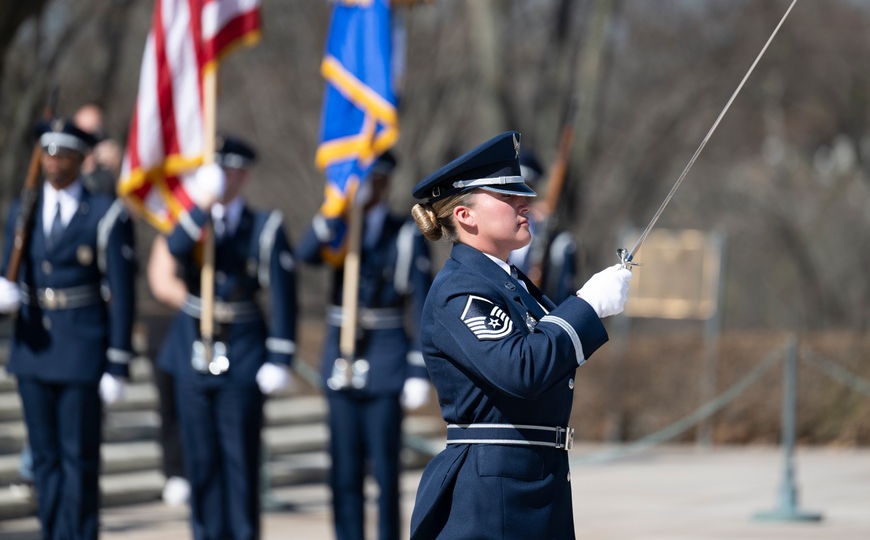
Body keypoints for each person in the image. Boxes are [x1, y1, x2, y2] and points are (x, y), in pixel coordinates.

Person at [407, 130, 632, 539]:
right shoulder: (461, 289)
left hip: (531, 481)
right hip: (494, 497)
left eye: (521, 194)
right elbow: (521, 368)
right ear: (465, 215)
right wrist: (587, 304)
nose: (524, 203)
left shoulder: (508, 283)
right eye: (506, 197)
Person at [0, 117, 137, 540]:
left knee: (79, 456)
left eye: (64, 154)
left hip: (81, 348)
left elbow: (122, 293)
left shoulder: (105, 214)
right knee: (45, 458)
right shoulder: (23, 209)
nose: (54, 162)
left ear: (81, 159)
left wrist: (117, 363)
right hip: (34, 348)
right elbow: (9, 265)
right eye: (49, 153)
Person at [157, 135, 298, 540]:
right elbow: (175, 247)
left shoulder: (263, 226)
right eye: (218, 169)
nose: (225, 177)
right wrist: (202, 207)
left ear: (244, 174)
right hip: (192, 351)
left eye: (231, 170)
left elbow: (285, 297)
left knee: (239, 461)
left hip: (243, 351)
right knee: (199, 461)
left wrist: (281, 357)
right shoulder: (192, 217)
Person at [296, 151, 434, 540]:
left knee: (386, 473)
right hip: (342, 359)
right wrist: (334, 210)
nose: (366, 188)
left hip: (386, 361)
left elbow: (421, 305)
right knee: (343, 471)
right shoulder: (340, 227)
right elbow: (305, 254)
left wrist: (416, 368)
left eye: (374, 180)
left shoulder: (404, 234)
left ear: (386, 183)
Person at [145, 233, 190, 506]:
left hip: (208, 336)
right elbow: (162, 283)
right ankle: (176, 471)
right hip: (167, 333)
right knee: (171, 408)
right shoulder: (171, 229)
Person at [508, 149, 579, 303]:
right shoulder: (494, 237)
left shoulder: (558, 243)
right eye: (508, 194)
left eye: (525, 190)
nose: (519, 199)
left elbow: (563, 294)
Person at [72, 103, 124, 196]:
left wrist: (118, 169)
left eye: (94, 132)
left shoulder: (112, 161)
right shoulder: (69, 160)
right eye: (82, 133)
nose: (88, 140)